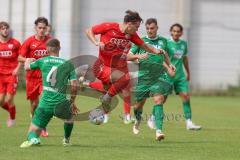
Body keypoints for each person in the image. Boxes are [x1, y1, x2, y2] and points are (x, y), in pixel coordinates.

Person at [85, 10, 172, 123]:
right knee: (123, 79)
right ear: (129, 24)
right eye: (136, 27)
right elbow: (89, 30)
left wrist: (156, 50)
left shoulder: (131, 35)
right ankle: (103, 96)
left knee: (119, 85)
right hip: (103, 65)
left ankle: (103, 104)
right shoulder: (109, 26)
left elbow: (145, 46)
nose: (137, 30)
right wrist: (96, 42)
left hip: (118, 67)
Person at [20, 38, 78, 148]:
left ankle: (34, 138)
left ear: (47, 49)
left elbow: (27, 67)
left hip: (45, 103)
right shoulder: (68, 64)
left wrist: (28, 60)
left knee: (32, 131)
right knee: (70, 118)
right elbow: (74, 86)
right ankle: (66, 140)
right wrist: (72, 102)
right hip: (61, 103)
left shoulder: (42, 61)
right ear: (59, 48)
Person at [130, 18, 175, 141]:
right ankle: (138, 120)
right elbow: (129, 56)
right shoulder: (140, 41)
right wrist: (138, 57)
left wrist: (170, 65)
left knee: (159, 100)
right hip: (143, 77)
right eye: (148, 28)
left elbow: (164, 55)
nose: (150, 31)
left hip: (158, 77)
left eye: (152, 28)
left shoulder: (163, 41)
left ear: (157, 28)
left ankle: (159, 131)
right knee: (138, 105)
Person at [18, 17, 51, 137]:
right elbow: (19, 57)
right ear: (35, 28)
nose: (42, 30)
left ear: (47, 28)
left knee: (44, 103)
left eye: (44, 28)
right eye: (39, 28)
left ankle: (43, 126)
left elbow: (55, 55)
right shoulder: (29, 42)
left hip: (45, 77)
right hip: (32, 77)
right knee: (34, 105)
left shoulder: (50, 42)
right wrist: (27, 59)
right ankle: (34, 119)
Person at [166, 23, 201, 130]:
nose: (176, 33)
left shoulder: (183, 44)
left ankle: (189, 122)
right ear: (171, 32)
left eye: (178, 31)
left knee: (186, 96)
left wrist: (188, 72)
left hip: (180, 76)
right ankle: (153, 118)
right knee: (162, 98)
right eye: (174, 31)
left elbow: (184, 59)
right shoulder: (166, 43)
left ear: (181, 33)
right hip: (168, 75)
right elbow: (162, 58)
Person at [0, 21, 21, 127]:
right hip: (0, 76)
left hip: (11, 75)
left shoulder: (15, 43)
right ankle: (11, 111)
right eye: (3, 28)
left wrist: (18, 68)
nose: (5, 30)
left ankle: (12, 118)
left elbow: (21, 58)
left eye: (6, 28)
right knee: (0, 101)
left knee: (9, 99)